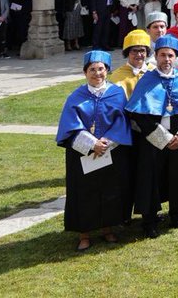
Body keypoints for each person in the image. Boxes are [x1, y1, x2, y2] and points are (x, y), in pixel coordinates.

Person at [124, 35, 178, 237]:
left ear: (175, 57)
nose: (166, 59)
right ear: (156, 56)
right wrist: (164, 138)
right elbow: (138, 115)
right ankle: (150, 221)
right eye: (162, 55)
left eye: (170, 55)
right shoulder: (147, 80)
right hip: (154, 141)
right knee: (151, 180)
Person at [57, 49, 133, 251]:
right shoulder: (76, 96)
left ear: (107, 70)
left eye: (101, 69)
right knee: (84, 193)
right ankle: (84, 234)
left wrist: (105, 143)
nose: (97, 73)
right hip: (83, 152)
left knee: (109, 190)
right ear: (85, 72)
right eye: (92, 69)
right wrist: (92, 144)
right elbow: (69, 125)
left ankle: (107, 229)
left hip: (110, 151)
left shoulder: (117, 93)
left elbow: (122, 121)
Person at [110, 29, 155, 99]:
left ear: (147, 52)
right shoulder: (117, 75)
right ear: (127, 53)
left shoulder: (154, 71)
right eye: (134, 51)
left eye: (142, 50)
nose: (139, 54)